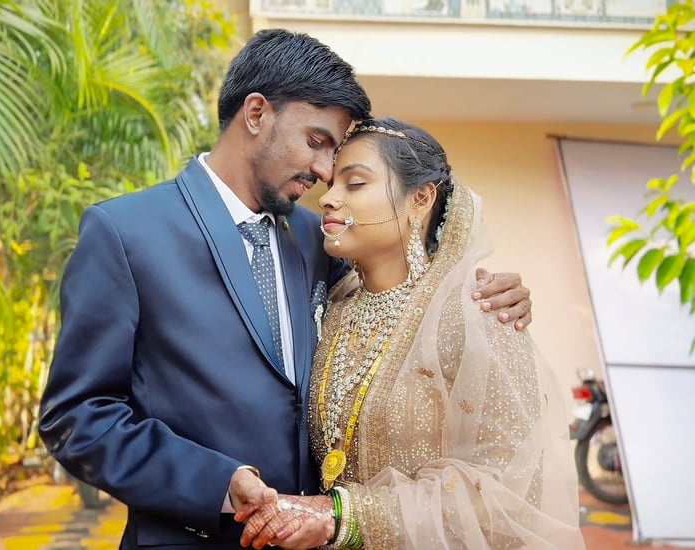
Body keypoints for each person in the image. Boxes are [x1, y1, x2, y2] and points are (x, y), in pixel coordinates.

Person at [37, 30, 534, 550]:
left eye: (335, 155)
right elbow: (78, 416)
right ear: (256, 114)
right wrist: (217, 483)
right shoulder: (126, 232)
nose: (324, 172)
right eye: (316, 142)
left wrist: (487, 293)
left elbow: (400, 300)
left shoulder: (321, 240)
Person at [239, 119, 584, 549]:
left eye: (355, 183)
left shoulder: (476, 314)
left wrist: (342, 516)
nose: (327, 199)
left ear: (420, 199)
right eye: (331, 185)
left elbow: (510, 490)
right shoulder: (331, 306)